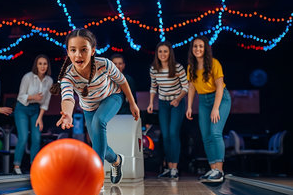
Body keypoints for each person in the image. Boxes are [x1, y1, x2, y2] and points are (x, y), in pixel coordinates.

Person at [50, 28, 140, 185]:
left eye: (83, 50)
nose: (78, 55)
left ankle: (94, 177)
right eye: (73, 50)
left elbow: (122, 82)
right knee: (98, 144)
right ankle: (117, 161)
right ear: (68, 53)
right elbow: (68, 98)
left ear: (92, 50)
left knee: (99, 122)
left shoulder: (104, 64)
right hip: (89, 108)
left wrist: (132, 103)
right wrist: (68, 114)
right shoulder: (67, 76)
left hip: (112, 97)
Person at [185, 36, 231, 183]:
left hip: (220, 99)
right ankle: (213, 170)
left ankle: (220, 170)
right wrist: (189, 106)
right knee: (206, 136)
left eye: (201, 46)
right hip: (204, 101)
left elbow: (219, 87)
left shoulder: (214, 63)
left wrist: (216, 108)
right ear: (192, 49)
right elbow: (191, 87)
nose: (197, 49)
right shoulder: (191, 67)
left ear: (205, 49)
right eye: (195, 46)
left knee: (215, 133)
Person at [147, 41, 188, 181]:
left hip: (177, 103)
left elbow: (186, 87)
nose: (163, 54)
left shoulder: (177, 68)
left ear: (170, 53)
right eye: (160, 52)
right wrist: (151, 103)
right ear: (157, 54)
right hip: (163, 103)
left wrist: (178, 99)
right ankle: (169, 168)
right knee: (165, 135)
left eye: (165, 51)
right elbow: (153, 87)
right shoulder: (154, 69)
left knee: (173, 133)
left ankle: (174, 168)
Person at [13, 54, 53, 175]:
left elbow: (45, 102)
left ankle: (34, 166)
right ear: (36, 65)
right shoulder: (28, 77)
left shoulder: (49, 80)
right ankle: (16, 165)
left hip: (36, 110)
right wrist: (33, 97)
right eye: (40, 63)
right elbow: (20, 96)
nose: (42, 66)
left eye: (45, 64)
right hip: (22, 108)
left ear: (47, 66)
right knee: (24, 137)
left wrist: (40, 118)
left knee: (36, 137)